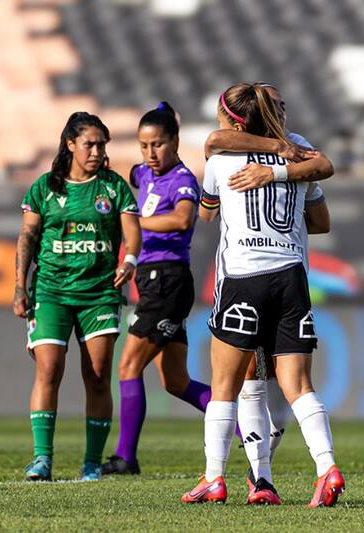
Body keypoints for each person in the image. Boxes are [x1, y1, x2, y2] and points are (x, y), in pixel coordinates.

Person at [182, 83, 344, 507]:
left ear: (234, 119)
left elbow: (207, 210)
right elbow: (321, 221)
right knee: (297, 384)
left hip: (243, 275)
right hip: (291, 276)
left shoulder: (221, 157)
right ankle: (324, 468)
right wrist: (286, 180)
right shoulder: (300, 149)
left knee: (226, 385)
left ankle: (215, 477)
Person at [13, 111, 141, 482]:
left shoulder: (113, 187)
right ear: (70, 144)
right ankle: (41, 459)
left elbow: (132, 234)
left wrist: (129, 259)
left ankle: (91, 463)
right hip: (51, 291)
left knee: (98, 375)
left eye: (103, 144)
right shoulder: (44, 188)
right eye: (90, 144)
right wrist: (20, 286)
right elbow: (27, 238)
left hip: (100, 293)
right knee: (49, 369)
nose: (98, 151)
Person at [101, 102, 213, 475]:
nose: (151, 153)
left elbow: (182, 218)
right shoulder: (146, 174)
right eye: (144, 145)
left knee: (128, 366)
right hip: (155, 282)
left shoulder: (182, 179)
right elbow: (125, 171)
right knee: (176, 381)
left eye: (159, 144)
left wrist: (135, 221)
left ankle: (126, 458)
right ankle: (250, 430)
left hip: (166, 280)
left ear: (175, 142)